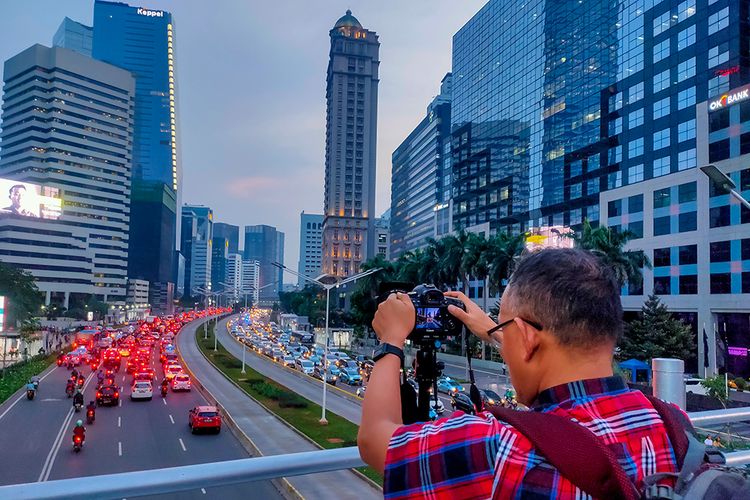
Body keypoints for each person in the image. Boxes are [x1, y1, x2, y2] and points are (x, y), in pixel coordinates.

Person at [359, 248, 683, 498]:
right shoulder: (672, 425)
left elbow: (375, 439)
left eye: (506, 329)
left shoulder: (497, 448)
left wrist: (391, 340)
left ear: (527, 339)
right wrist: (498, 332)